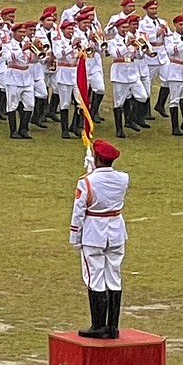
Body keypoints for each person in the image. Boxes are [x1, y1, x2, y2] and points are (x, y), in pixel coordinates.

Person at [68, 138, 129, 340]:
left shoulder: (86, 182)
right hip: (116, 230)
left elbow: (79, 212)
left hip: (94, 231)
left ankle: (98, 325)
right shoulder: (123, 178)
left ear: (97, 159)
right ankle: (112, 326)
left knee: (94, 277)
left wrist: (75, 237)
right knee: (114, 275)